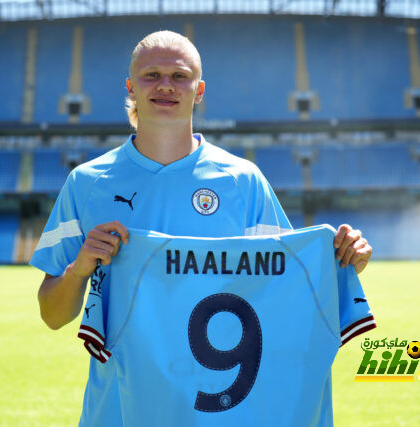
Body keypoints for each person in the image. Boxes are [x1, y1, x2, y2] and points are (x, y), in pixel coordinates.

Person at [30, 30, 373, 426]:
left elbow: (285, 286)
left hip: (224, 414)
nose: (165, 86)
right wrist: (80, 269)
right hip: (120, 411)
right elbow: (52, 316)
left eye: (179, 76)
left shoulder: (243, 180)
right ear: (130, 86)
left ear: (199, 89)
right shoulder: (87, 182)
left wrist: (343, 260)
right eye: (151, 75)